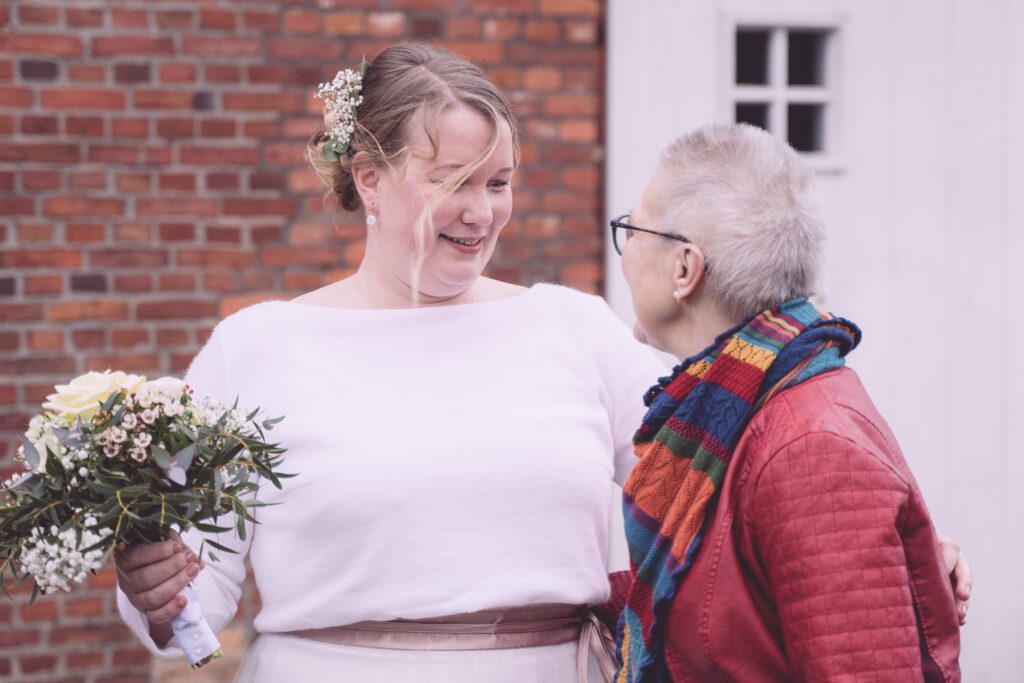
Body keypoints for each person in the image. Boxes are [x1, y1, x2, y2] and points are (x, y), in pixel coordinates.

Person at [114, 45, 969, 682]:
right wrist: (151, 587)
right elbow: (191, 611)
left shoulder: (571, 328)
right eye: (457, 179)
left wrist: (887, 547)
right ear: (369, 179)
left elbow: (726, 491)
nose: (484, 212)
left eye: (501, 182)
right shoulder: (256, 350)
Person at [611, 123, 966, 681]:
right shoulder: (735, 410)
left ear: (685, 269)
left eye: (632, 230)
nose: (625, 251)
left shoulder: (811, 448)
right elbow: (712, 605)